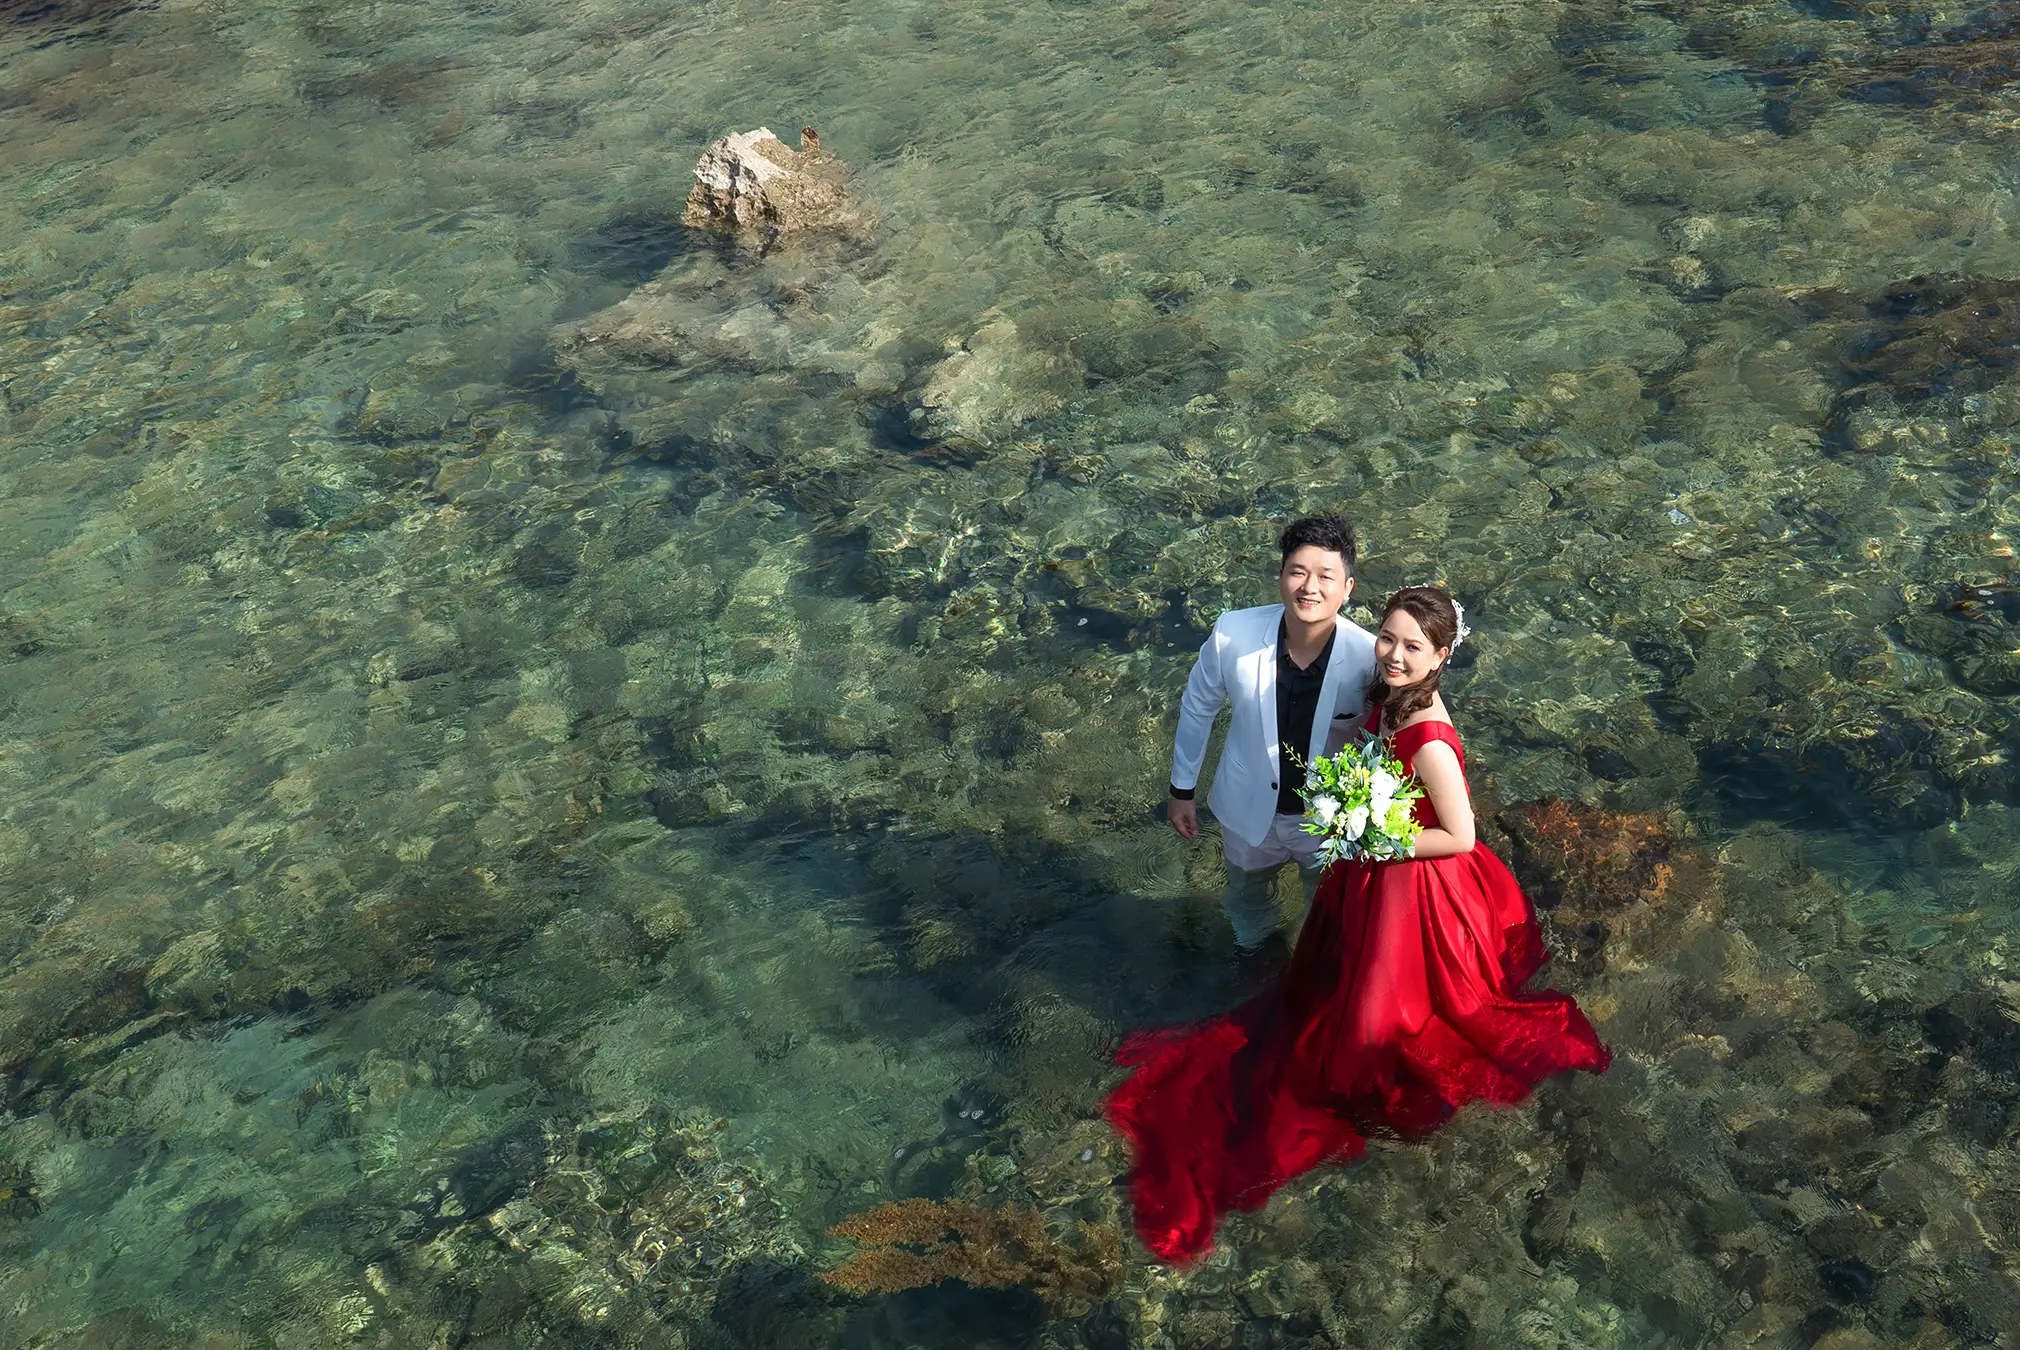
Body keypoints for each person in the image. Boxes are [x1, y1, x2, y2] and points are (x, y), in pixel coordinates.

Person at [1108, 586, 1612, 1265]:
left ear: (1442, 656)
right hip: (1372, 861)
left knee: (1384, 1010)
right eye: (1388, 638)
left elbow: (1461, 836)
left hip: (1409, 871)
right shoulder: (1389, 692)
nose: (1394, 655)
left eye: (1413, 647)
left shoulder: (1428, 735)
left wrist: (1375, 837)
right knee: (1342, 973)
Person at [1167, 514, 1377, 953]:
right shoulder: (1233, 634)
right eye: (1298, 572)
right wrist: (1181, 790)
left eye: (1325, 576)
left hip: (1328, 821)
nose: (1310, 587)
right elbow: (1198, 706)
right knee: (1246, 898)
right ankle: (1254, 955)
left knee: (1326, 907)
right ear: (1281, 575)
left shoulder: (1369, 659)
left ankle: (1308, 960)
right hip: (1246, 808)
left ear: (1347, 588)